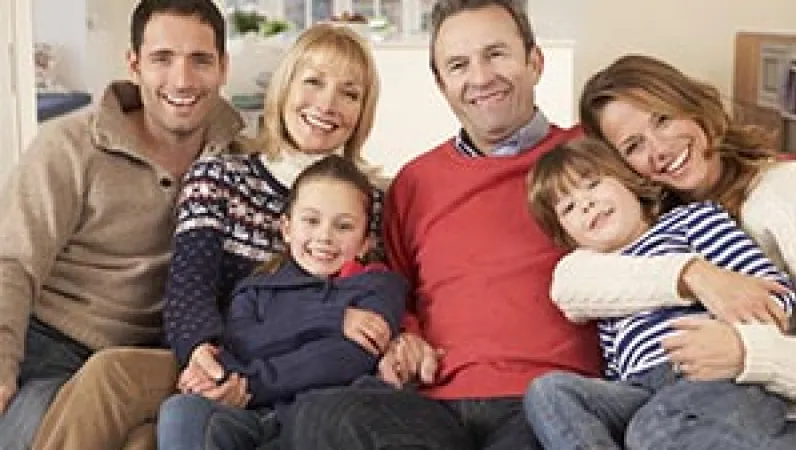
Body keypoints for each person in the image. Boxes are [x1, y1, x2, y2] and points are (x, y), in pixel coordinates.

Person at [31, 20, 386, 450]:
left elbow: (381, 300)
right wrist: (205, 358)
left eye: (349, 93)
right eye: (313, 82)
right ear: (284, 89)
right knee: (115, 379)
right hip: (218, 354)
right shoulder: (220, 175)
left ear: (363, 111)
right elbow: (189, 288)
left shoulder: (375, 202)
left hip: (312, 370)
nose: (327, 104)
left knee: (148, 437)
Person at [281, 1, 602, 449]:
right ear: (442, 84)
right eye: (459, 64)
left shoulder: (589, 154)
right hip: (434, 404)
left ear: (535, 61)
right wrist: (404, 337)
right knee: (319, 415)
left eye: (496, 54)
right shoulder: (415, 182)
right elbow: (393, 289)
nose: (481, 77)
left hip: (544, 397)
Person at [0, 0, 240, 449]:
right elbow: (11, 261)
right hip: (50, 347)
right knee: (24, 433)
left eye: (200, 60)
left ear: (223, 67)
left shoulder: (242, 157)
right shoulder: (69, 147)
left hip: (154, 357)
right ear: (133, 65)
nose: (183, 80)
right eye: (162, 59)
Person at [550, 53, 796, 448]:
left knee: (653, 433)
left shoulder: (784, 193)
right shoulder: (650, 222)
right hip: (678, 400)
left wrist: (748, 353)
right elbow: (570, 283)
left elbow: (774, 303)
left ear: (694, 108)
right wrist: (692, 276)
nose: (660, 148)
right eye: (634, 146)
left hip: (763, 401)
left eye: (663, 119)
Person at [157, 154, 406, 449]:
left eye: (343, 226)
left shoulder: (377, 287)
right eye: (311, 221)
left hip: (325, 418)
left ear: (366, 242)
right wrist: (331, 319)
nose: (324, 236)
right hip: (254, 415)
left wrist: (251, 383)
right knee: (181, 410)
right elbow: (242, 343)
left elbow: (344, 360)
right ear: (287, 229)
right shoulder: (256, 289)